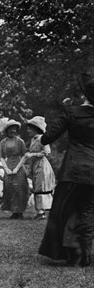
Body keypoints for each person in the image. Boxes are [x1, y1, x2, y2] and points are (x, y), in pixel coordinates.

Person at [39, 73, 94, 267]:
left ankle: (72, 254)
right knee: (87, 210)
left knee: (66, 210)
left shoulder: (72, 112)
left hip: (73, 170)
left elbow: (47, 137)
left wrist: (41, 139)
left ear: (84, 95)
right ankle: (85, 255)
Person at [22, 116, 56, 220]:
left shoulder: (42, 138)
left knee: (41, 186)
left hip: (42, 165)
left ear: (36, 129)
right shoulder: (33, 139)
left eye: (30, 128)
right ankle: (40, 211)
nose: (28, 131)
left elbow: (46, 152)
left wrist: (32, 155)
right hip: (35, 164)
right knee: (37, 186)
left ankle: (42, 212)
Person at [0, 117, 29, 219]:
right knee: (9, 187)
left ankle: (19, 211)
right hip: (8, 165)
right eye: (11, 128)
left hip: (18, 164)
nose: (13, 130)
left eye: (15, 128)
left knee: (19, 188)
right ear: (7, 130)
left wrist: (17, 167)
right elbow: (1, 156)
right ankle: (13, 211)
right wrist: (5, 168)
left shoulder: (20, 141)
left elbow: (24, 155)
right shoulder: (3, 142)